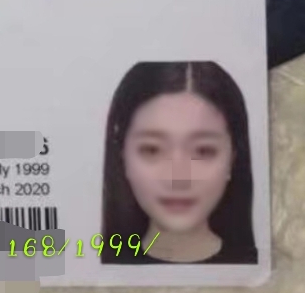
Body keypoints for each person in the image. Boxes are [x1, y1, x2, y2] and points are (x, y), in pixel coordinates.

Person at [101, 62, 258, 265]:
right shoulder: (85, 266)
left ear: (232, 158)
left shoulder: (276, 273)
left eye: (204, 151)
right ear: (123, 155)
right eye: (152, 150)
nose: (178, 178)